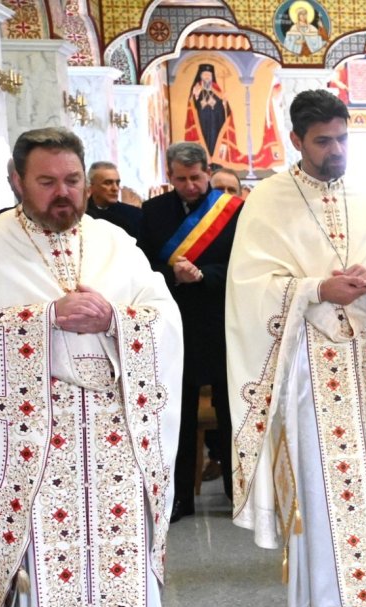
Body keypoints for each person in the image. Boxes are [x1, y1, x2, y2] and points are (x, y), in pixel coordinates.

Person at [0, 127, 183, 607]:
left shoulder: (115, 242)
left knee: (121, 566)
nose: (63, 194)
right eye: (47, 181)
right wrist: (44, 318)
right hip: (34, 445)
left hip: (114, 438)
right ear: (17, 181)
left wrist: (116, 320)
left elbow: (164, 316)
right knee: (51, 573)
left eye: (72, 181)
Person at [227, 90, 366, 607]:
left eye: (342, 139)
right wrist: (316, 288)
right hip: (307, 370)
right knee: (320, 488)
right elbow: (249, 290)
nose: (335, 150)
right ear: (296, 140)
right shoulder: (267, 201)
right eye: (323, 141)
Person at [138, 142, 243, 521]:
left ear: (207, 172)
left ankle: (237, 492)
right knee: (176, 414)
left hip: (221, 322)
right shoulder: (153, 212)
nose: (190, 186)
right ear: (169, 176)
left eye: (196, 177)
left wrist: (203, 275)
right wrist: (172, 275)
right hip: (173, 324)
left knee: (231, 412)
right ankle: (179, 496)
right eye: (181, 179)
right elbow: (142, 264)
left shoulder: (233, 211)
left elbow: (243, 264)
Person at [85, 160, 143, 238]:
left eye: (117, 183)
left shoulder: (133, 215)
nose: (115, 188)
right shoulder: (81, 215)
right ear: (91, 186)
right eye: (108, 183)